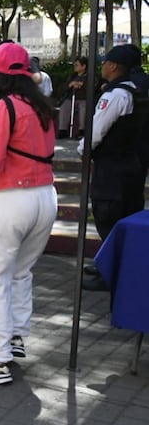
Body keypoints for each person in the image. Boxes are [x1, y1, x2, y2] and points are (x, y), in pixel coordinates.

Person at [0, 42, 57, 385]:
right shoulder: (42, 106)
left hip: (10, 199)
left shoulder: (3, 107)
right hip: (45, 197)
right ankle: (15, 338)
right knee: (20, 273)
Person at [78, 44, 148, 291]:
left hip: (112, 168)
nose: (103, 66)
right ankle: (119, 269)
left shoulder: (115, 94)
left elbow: (97, 130)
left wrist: (82, 150)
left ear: (114, 66)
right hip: (131, 164)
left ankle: (110, 274)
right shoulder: (137, 90)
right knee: (125, 217)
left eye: (105, 62)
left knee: (108, 218)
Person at [57, 56, 90, 139]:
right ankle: (62, 130)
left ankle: (82, 130)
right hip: (71, 98)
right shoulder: (72, 76)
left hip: (83, 99)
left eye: (77, 65)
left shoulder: (89, 76)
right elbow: (63, 88)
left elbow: (92, 87)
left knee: (83, 108)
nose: (75, 67)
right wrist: (70, 85)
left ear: (83, 66)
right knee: (64, 106)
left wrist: (81, 85)